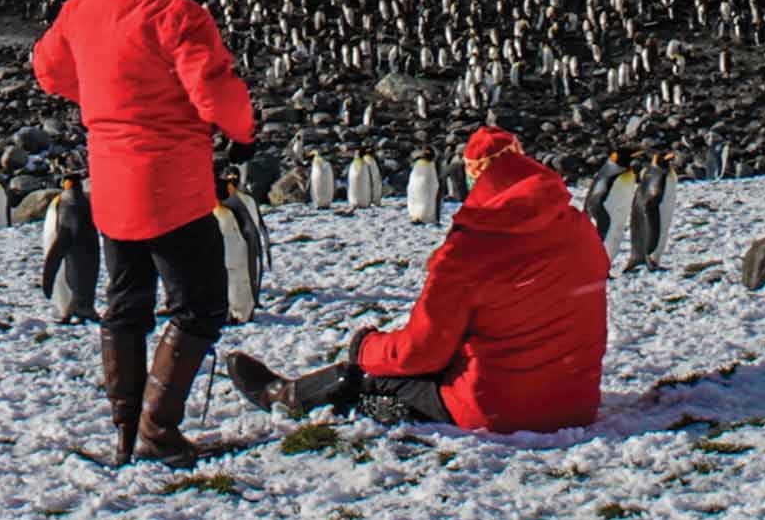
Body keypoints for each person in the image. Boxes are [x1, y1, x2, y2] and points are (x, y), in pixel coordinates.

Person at [34, 0, 255, 465]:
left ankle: (125, 430)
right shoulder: (177, 15)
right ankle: (159, 428)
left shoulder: (82, 8)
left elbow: (49, 69)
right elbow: (215, 93)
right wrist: (245, 130)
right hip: (173, 187)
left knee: (125, 303)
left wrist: (104, 103)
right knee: (200, 306)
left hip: (111, 184)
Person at [227, 127, 609, 433]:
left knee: (360, 376)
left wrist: (365, 348)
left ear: (473, 174)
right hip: (575, 401)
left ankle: (287, 395)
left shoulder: (470, 249)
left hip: (494, 408)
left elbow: (420, 352)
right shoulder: (577, 227)